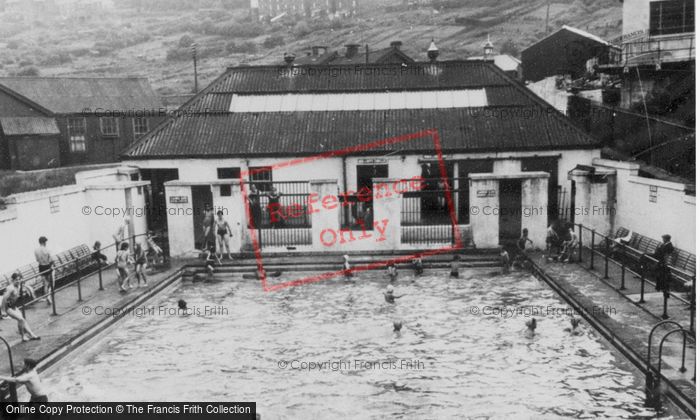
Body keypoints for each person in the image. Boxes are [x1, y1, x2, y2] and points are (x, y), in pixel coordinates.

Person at [2, 274, 40, 342]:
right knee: (21, 320)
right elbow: (4, 299)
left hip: (14, 306)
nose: (18, 281)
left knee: (23, 320)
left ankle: (32, 334)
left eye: (19, 279)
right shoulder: (10, 288)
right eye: (16, 280)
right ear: (12, 280)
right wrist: (3, 311)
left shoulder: (19, 286)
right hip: (7, 307)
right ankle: (23, 337)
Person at [33, 236, 54, 306]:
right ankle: (49, 296)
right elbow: (51, 259)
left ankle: (47, 296)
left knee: (45, 284)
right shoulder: (47, 249)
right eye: (45, 242)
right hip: (47, 266)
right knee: (51, 283)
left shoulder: (36, 250)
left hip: (41, 267)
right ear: (44, 242)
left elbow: (37, 260)